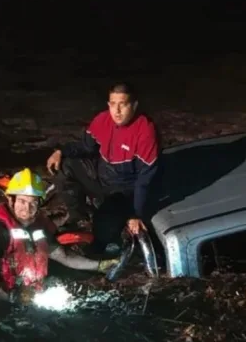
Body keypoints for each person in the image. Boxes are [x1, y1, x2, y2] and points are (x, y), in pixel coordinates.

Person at [0, 168, 120, 304]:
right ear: (11, 200)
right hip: (6, 299)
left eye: (33, 202)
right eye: (22, 201)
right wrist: (12, 297)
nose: (27, 208)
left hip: (34, 293)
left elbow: (63, 256)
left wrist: (100, 266)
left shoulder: (38, 224)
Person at [46, 81, 160, 242]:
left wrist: (135, 214)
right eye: (113, 104)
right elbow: (85, 146)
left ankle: (105, 225)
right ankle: (78, 218)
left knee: (103, 228)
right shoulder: (103, 120)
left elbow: (145, 180)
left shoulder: (145, 131)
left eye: (123, 104)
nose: (117, 111)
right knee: (65, 166)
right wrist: (61, 151)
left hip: (122, 190)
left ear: (134, 106)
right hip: (100, 174)